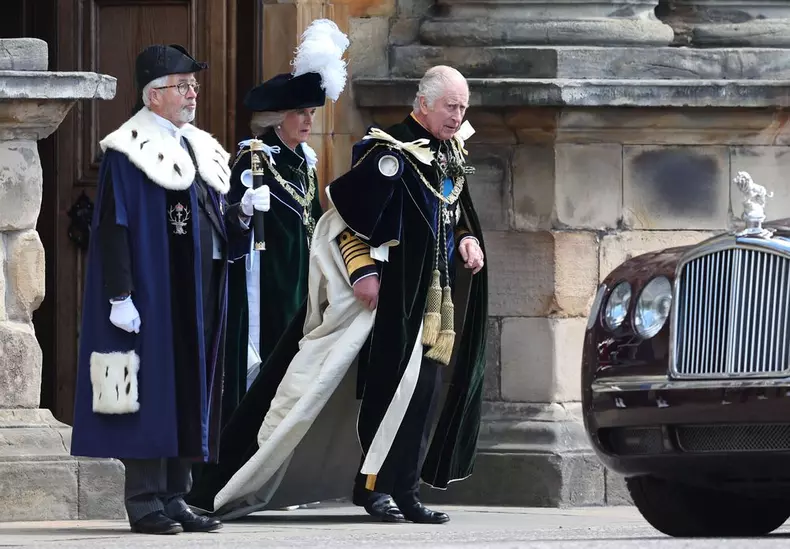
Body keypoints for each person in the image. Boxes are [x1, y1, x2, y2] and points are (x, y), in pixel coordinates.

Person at [185, 65, 487, 526]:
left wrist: (467, 239)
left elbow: (455, 211)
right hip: (389, 301)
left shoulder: (449, 153)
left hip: (432, 301)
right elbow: (346, 219)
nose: (457, 115)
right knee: (387, 395)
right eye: (451, 106)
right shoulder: (387, 151)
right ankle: (373, 489)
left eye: (463, 107)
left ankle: (405, 488)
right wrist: (363, 271)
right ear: (424, 104)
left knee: (423, 397)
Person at [69, 44, 270, 535]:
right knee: (152, 391)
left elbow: (212, 221)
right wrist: (120, 295)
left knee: (190, 388)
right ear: (154, 96)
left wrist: (241, 213)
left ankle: (177, 495)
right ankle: (144, 501)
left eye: (193, 85)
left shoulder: (197, 146)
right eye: (183, 85)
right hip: (153, 293)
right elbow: (114, 226)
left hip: (197, 291)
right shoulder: (127, 149)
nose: (192, 93)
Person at [221, 18, 349, 422]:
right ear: (278, 117)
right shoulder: (254, 160)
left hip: (302, 284)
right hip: (268, 286)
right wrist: (242, 212)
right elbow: (230, 226)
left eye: (311, 112)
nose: (309, 122)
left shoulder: (304, 164)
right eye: (300, 113)